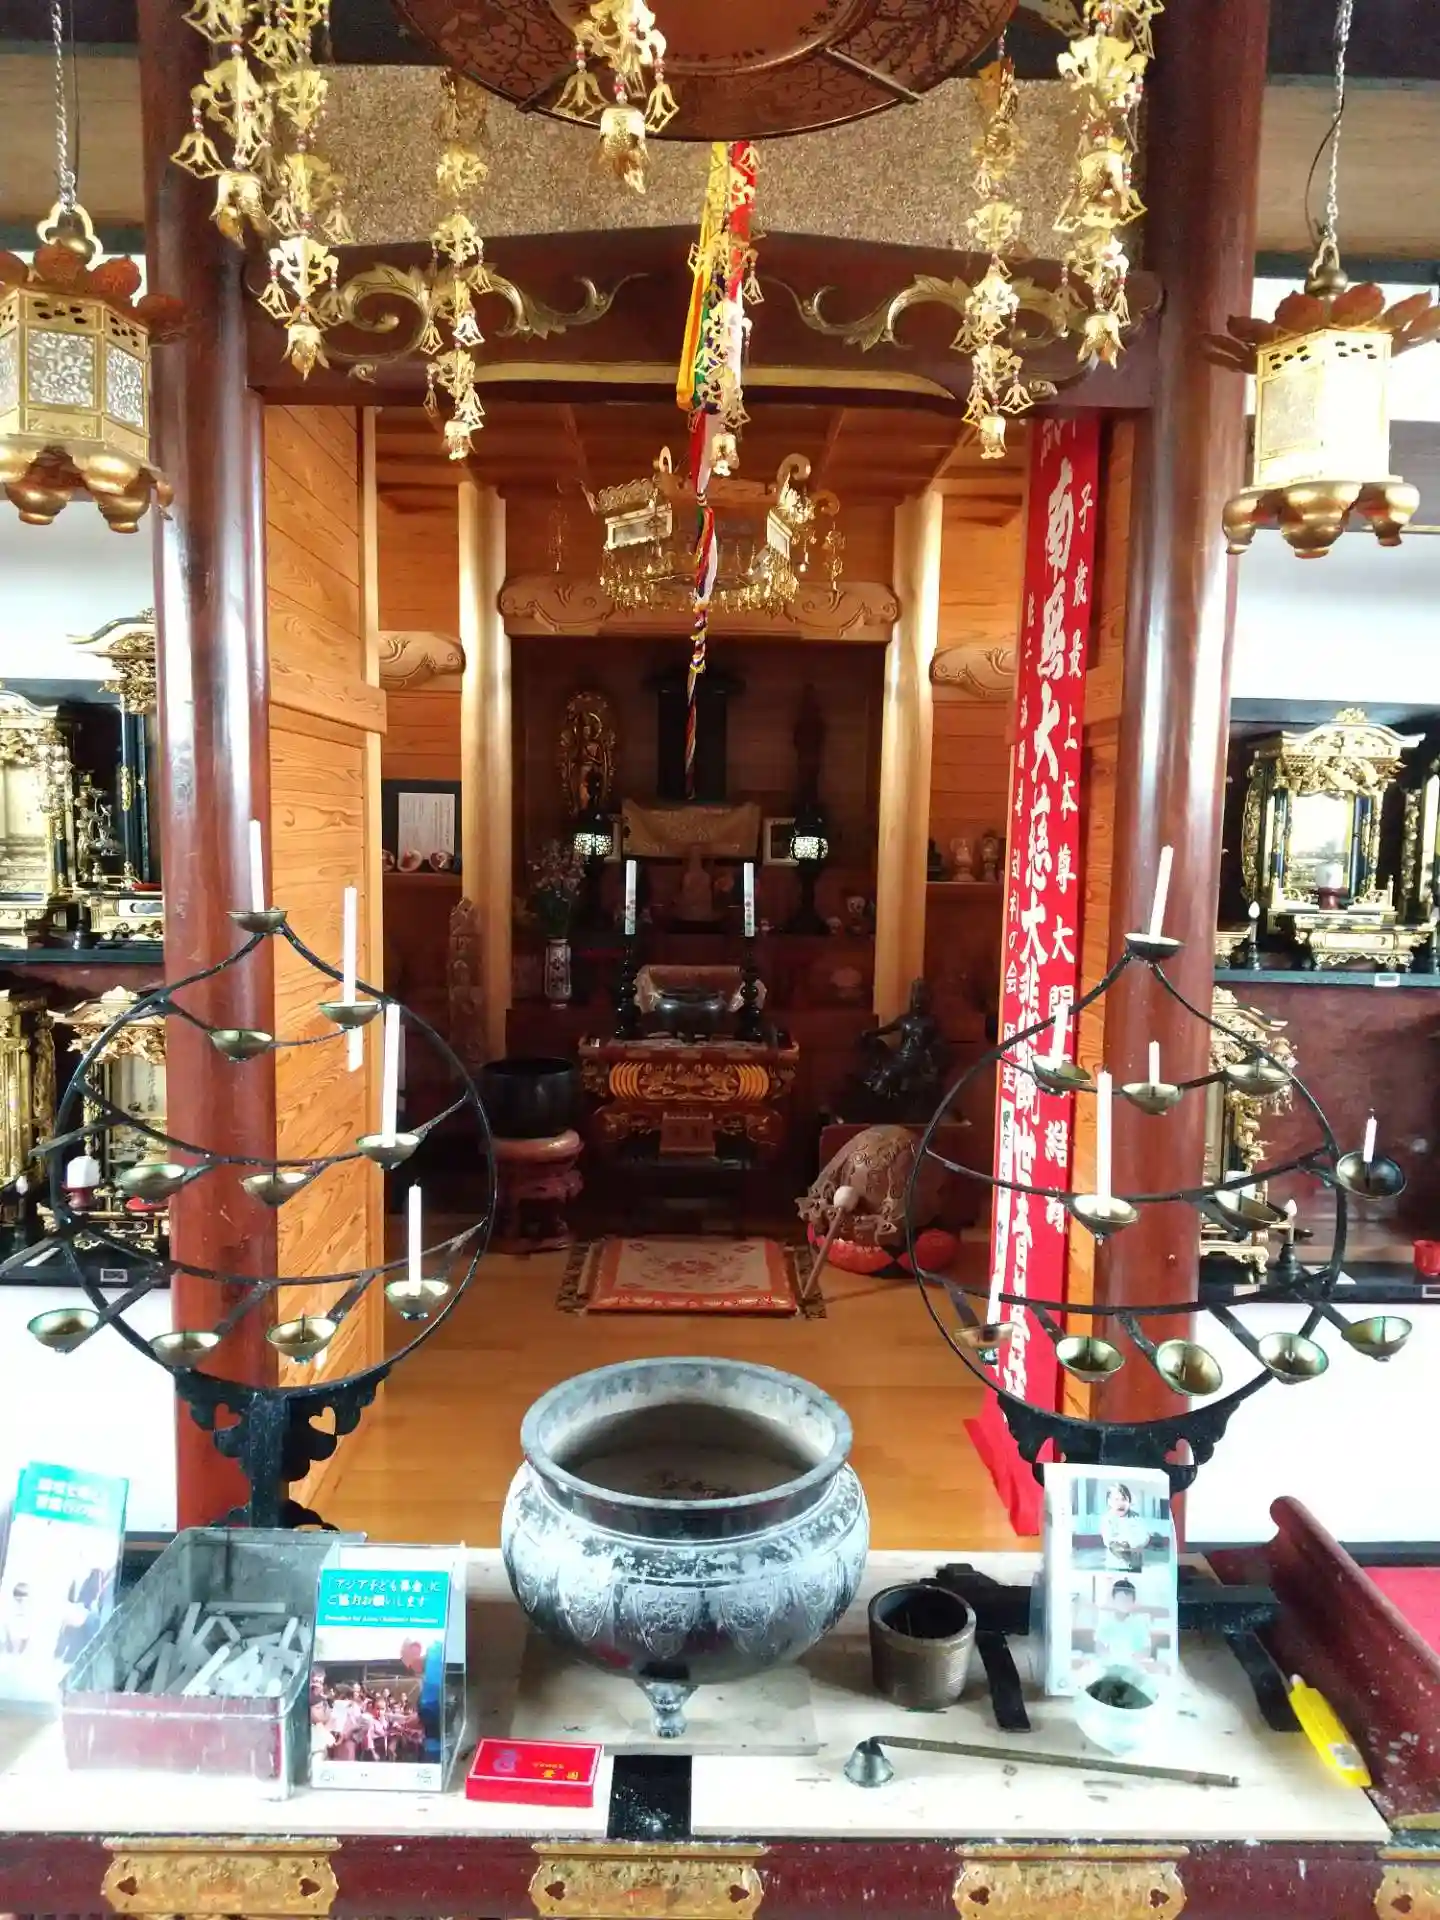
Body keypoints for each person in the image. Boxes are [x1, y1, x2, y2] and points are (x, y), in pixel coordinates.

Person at [1093, 1579, 1155, 1666]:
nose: (1124, 1603)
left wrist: (1131, 1661)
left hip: (1133, 1667)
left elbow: (1146, 1649)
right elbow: (1099, 1647)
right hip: (1110, 1666)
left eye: (1127, 1600)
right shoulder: (1106, 1622)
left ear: (1133, 1602)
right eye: (1121, 1600)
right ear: (1113, 1600)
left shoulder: (1139, 1623)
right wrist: (1110, 1661)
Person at [1099, 1482, 1154, 1572]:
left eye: (1124, 1499)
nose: (1120, 1503)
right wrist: (1123, 1543)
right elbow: (1108, 1540)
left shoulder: (1136, 1517)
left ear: (1129, 1501)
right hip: (1115, 1566)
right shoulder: (1107, 1519)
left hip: (1135, 1564)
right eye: (1116, 1499)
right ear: (1109, 1502)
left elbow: (1145, 1536)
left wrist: (1132, 1543)